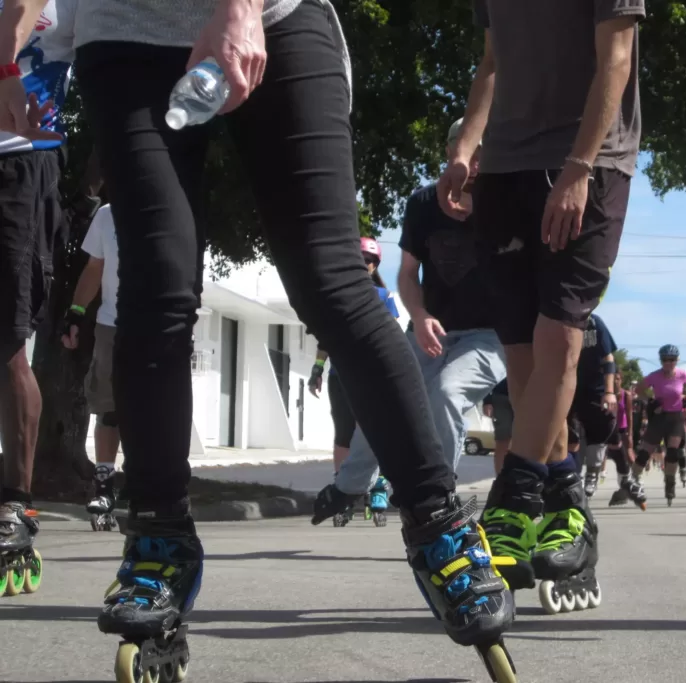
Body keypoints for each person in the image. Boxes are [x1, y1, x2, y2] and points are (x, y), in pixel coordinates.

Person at [1, 0, 515, 676]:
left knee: (331, 282)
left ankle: (439, 521)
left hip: (274, 15)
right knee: (153, 290)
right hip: (125, 30)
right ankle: (158, 536)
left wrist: (238, 7)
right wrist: (9, 59)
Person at [438, 0, 645, 609]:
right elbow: (491, 63)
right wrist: (464, 148)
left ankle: (514, 500)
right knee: (522, 359)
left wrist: (580, 167)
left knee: (560, 334)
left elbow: (617, 58)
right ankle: (568, 505)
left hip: (589, 162)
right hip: (505, 167)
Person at [311, 118, 506, 532]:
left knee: (446, 393)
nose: (475, 163)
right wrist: (419, 316)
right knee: (386, 394)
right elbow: (406, 274)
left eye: (483, 153)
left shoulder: (505, 204)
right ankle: (349, 486)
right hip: (429, 326)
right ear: (450, 151)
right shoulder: (423, 203)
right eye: (467, 151)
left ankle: (439, 497)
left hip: (489, 337)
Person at [0, 0, 75, 587]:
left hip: (19, 166)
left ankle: (15, 505)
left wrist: (7, 68)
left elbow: (17, 17)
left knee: (8, 344)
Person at [308, 236, 399, 526]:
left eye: (370, 260)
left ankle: (377, 486)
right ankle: (343, 491)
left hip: (372, 377)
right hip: (341, 376)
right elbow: (326, 338)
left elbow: (392, 339)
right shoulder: (335, 296)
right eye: (361, 259)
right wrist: (317, 369)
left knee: (373, 433)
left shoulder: (383, 297)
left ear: (375, 266)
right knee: (343, 435)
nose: (365, 264)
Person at [62, 203, 123, 530]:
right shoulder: (106, 214)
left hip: (155, 326)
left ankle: (149, 487)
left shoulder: (167, 204)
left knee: (150, 412)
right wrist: (75, 312)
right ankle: (104, 487)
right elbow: (95, 266)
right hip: (111, 324)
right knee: (108, 409)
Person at [629, 344, 686, 506]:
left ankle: (670, 484)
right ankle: (631, 480)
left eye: (672, 360)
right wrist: (650, 401)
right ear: (661, 360)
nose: (668, 363)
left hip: (676, 418)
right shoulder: (655, 376)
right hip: (659, 417)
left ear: (677, 360)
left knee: (672, 452)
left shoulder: (683, 375)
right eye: (665, 360)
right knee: (645, 452)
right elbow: (639, 389)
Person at [566, 314, 618, 497]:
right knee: (570, 434)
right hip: (567, 384)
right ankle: (571, 477)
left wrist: (609, 392)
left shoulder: (594, 323)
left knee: (598, 432)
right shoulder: (557, 319)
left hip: (594, 386)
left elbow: (608, 359)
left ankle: (592, 474)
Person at [483, 379, 514, 474]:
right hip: (501, 396)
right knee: (502, 439)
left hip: (529, 394)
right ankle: (500, 477)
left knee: (527, 441)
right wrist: (487, 400)